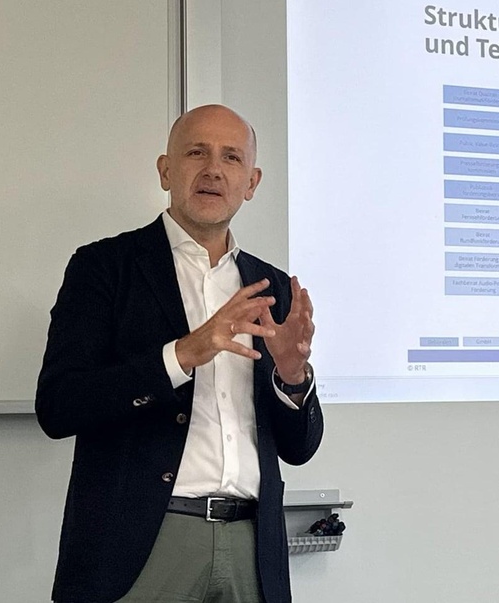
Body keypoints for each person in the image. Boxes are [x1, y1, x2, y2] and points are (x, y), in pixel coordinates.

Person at [35, 104, 324, 603]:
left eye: (231, 158)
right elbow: (59, 406)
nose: (213, 170)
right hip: (142, 545)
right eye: (196, 153)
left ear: (251, 182)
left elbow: (299, 449)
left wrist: (293, 378)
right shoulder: (104, 267)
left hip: (252, 547)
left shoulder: (272, 286)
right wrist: (181, 355)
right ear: (166, 170)